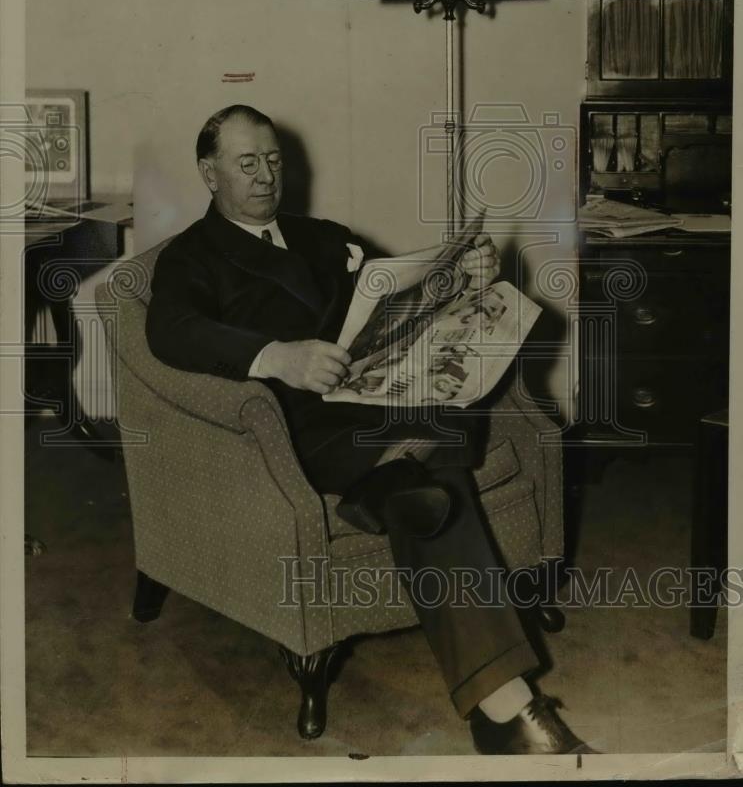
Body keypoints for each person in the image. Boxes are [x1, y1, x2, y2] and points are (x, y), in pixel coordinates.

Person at [145, 104, 596, 756]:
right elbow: (171, 331)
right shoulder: (191, 257)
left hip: (380, 397)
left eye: (273, 159)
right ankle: (505, 706)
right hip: (296, 420)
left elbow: (396, 294)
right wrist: (278, 356)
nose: (266, 175)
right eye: (247, 163)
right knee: (431, 488)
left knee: (446, 410)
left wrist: (460, 282)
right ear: (208, 172)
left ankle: (382, 488)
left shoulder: (323, 237)